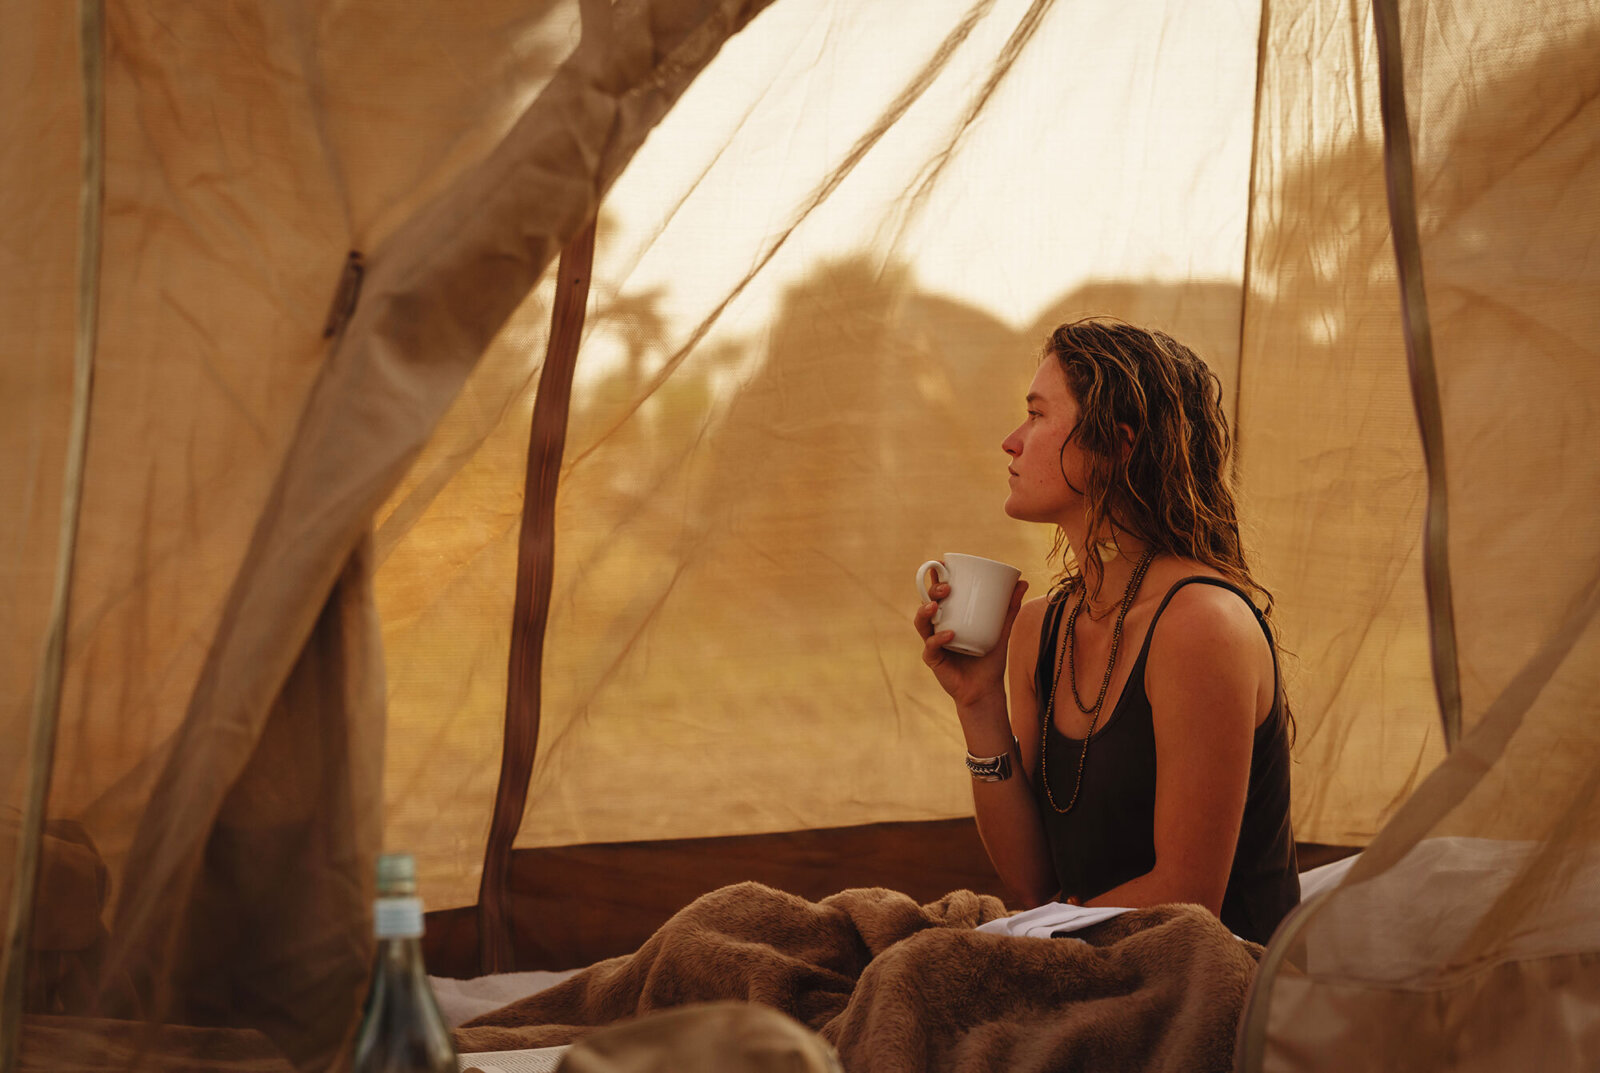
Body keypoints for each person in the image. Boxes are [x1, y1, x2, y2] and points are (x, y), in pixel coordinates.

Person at [914, 317, 1299, 945]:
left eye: (1037, 415)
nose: (1011, 441)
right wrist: (978, 703)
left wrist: (1009, 948)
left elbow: (1187, 900)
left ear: (1118, 445)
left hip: (1208, 983)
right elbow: (1034, 884)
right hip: (1093, 966)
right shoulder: (1042, 626)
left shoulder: (1199, 623)